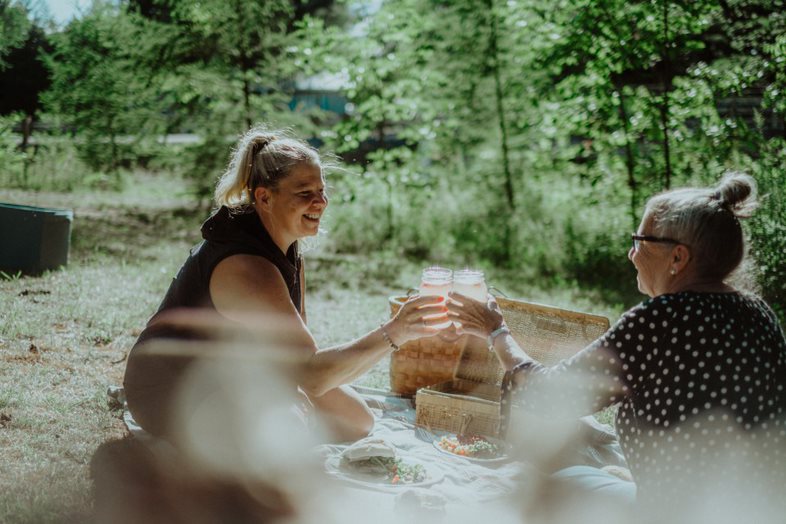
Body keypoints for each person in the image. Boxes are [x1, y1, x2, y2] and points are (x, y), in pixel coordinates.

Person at [446, 173, 786, 516]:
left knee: (544, 487)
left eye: (639, 240)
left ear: (678, 258)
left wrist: (496, 331)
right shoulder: (760, 314)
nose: (630, 253)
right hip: (759, 509)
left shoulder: (661, 318)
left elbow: (551, 396)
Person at [123, 126, 447, 442]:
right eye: (305, 193)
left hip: (234, 370)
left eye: (322, 190)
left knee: (357, 421)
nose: (321, 202)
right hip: (170, 390)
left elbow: (301, 356)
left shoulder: (288, 243)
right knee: (288, 432)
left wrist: (291, 387)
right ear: (264, 198)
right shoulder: (246, 266)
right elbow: (311, 373)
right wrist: (395, 332)